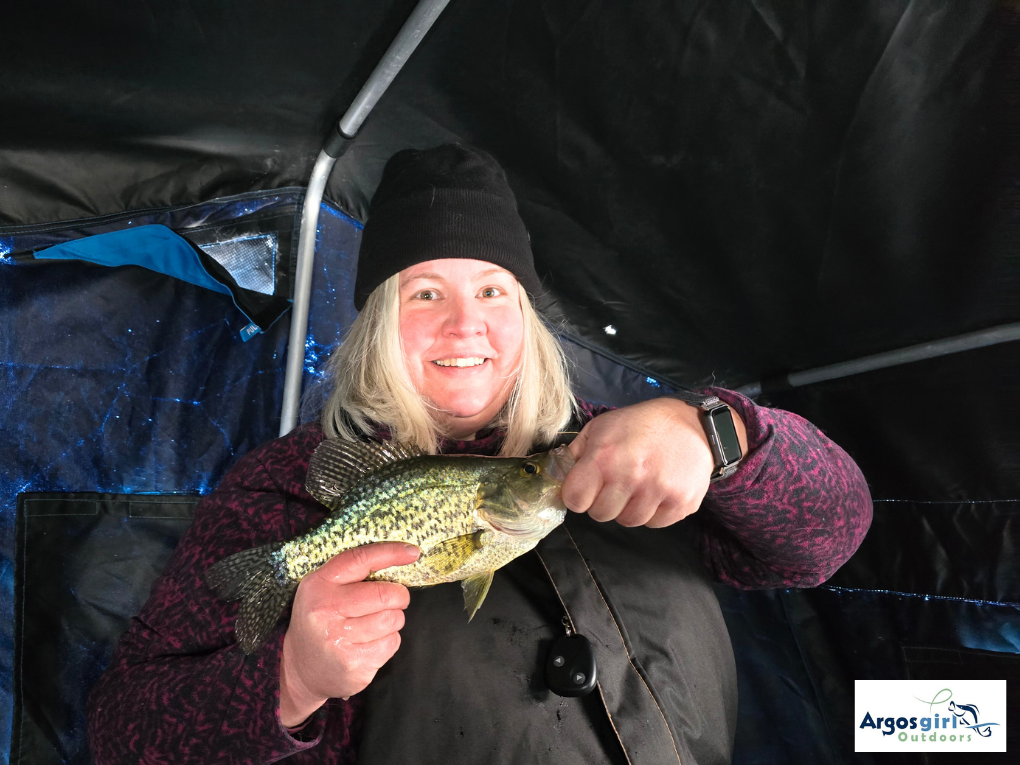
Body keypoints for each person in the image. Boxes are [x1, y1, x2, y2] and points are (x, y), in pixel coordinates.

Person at [87, 144, 872, 765]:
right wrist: (287, 683)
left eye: (494, 289)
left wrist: (718, 436)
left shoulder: (626, 448)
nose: (466, 326)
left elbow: (829, 537)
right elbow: (125, 734)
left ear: (527, 316)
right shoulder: (285, 486)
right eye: (424, 291)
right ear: (377, 322)